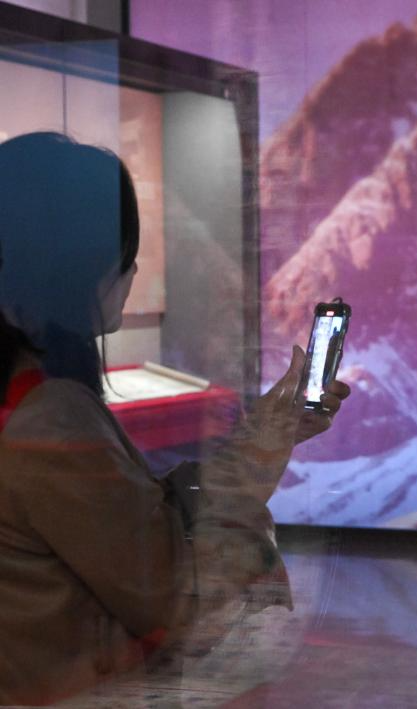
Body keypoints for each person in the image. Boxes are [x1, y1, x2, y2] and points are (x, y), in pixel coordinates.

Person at [0, 132, 350, 704]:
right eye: (119, 252)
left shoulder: (33, 398)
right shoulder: (52, 420)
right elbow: (180, 599)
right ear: (72, 267)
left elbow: (131, 520)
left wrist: (266, 436)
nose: (132, 268)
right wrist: (252, 519)